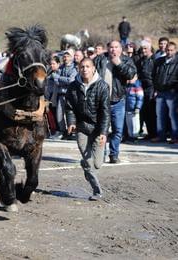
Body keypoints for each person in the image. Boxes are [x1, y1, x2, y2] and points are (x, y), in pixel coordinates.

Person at [66, 58, 110, 201]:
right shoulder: (73, 86)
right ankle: (97, 190)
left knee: (97, 164)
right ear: (79, 69)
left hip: (98, 129)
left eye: (87, 66)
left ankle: (85, 164)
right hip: (82, 128)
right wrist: (71, 122)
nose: (85, 69)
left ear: (93, 69)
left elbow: (105, 112)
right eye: (82, 67)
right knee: (89, 163)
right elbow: (69, 107)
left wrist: (103, 132)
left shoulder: (102, 86)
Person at [94, 40, 137, 163]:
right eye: (111, 47)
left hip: (118, 101)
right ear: (107, 48)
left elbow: (131, 74)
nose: (113, 49)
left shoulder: (126, 60)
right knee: (102, 130)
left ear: (120, 49)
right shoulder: (100, 59)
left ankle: (114, 154)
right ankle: (101, 154)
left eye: (116, 47)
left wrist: (119, 64)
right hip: (101, 102)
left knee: (118, 130)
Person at [152, 41, 178, 144]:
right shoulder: (159, 61)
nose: (169, 52)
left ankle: (175, 137)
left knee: (173, 115)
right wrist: (155, 89)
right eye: (167, 50)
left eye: (171, 50)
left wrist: (175, 89)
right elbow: (154, 76)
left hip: (172, 93)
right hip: (160, 92)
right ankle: (161, 136)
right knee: (160, 115)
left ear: (175, 51)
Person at [136, 40, 156, 139]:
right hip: (142, 87)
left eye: (145, 48)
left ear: (150, 48)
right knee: (145, 112)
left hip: (151, 88)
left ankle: (154, 133)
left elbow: (157, 75)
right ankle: (150, 133)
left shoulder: (155, 59)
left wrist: (156, 89)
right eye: (142, 48)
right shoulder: (141, 60)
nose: (143, 51)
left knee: (152, 112)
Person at [125, 75, 144, 141]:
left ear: (136, 78)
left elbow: (140, 98)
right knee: (129, 123)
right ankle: (130, 136)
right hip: (127, 108)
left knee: (135, 123)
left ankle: (135, 136)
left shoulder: (137, 86)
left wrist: (137, 107)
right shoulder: (127, 86)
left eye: (132, 78)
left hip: (134, 109)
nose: (130, 79)